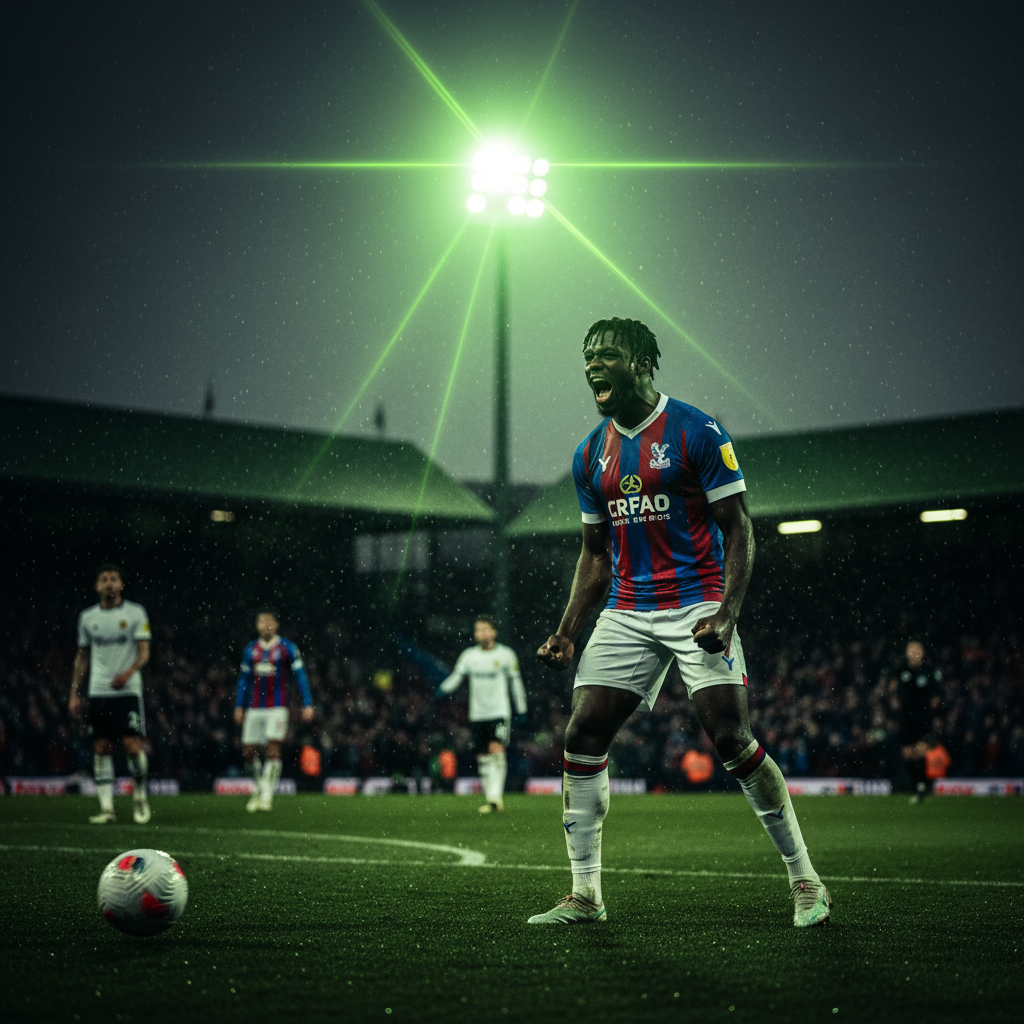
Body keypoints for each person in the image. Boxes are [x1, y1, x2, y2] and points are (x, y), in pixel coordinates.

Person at [531, 316, 831, 927]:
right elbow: (594, 554)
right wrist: (568, 628)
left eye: (607, 354)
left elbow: (739, 528)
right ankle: (585, 894)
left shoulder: (697, 429)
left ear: (641, 363)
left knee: (730, 737)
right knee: (582, 735)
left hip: (697, 602)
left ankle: (806, 880)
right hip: (627, 608)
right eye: (587, 355)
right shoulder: (591, 453)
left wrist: (727, 612)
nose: (592, 364)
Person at [69, 564, 152, 824]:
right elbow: (82, 657)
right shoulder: (87, 618)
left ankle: (139, 794)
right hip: (99, 690)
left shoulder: (136, 613)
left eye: (113, 579)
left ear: (121, 585)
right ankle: (107, 810)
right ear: (97, 586)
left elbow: (144, 652)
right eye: (103, 579)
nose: (109, 583)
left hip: (128, 690)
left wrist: (128, 673)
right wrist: (74, 693)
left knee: (131, 745)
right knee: (102, 747)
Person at [436, 616, 527, 813]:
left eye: (486, 629)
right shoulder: (469, 656)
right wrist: (442, 690)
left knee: (497, 750)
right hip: (477, 714)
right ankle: (490, 798)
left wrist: (521, 709)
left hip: (499, 711)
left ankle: (496, 797)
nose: (482, 633)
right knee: (483, 756)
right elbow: (456, 676)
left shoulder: (505, 655)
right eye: (479, 630)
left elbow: (516, 683)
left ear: (494, 632)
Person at [234, 608, 314, 812]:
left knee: (272, 747)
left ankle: (267, 795)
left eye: (270, 621)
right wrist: (239, 706)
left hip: (278, 707)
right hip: (254, 708)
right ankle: (260, 788)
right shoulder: (250, 650)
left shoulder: (287, 648)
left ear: (276, 624)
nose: (266, 625)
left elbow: (300, 676)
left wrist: (307, 703)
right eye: (262, 621)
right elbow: (244, 680)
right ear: (257, 625)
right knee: (249, 752)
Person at [897, 640, 944, 803]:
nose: (914, 652)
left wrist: (935, 715)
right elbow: (894, 693)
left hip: (923, 717)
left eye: (917, 649)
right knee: (907, 754)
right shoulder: (901, 671)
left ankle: (924, 785)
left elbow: (936, 698)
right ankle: (918, 786)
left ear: (922, 652)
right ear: (907, 652)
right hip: (906, 719)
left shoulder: (929, 672)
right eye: (911, 649)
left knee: (922, 750)